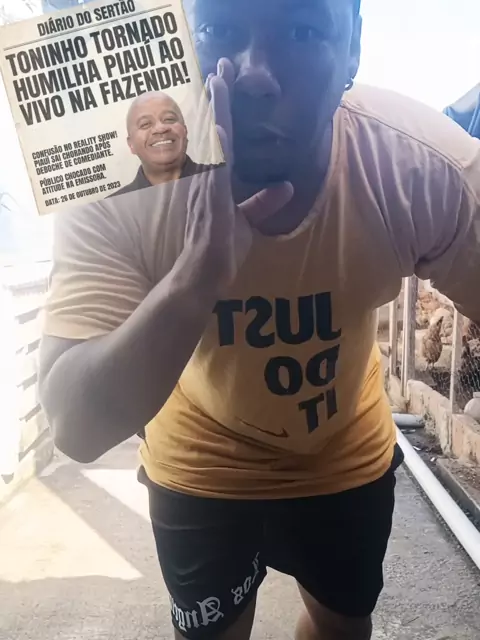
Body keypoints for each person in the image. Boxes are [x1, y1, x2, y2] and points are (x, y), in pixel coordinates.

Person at [39, 1, 480, 639]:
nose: (254, 75)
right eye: (220, 29)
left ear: (352, 48)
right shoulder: (117, 171)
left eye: (302, 30)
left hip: (342, 448)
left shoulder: (419, 169)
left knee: (341, 628)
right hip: (198, 452)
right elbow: (75, 426)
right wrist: (196, 275)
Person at [111, 91, 215, 197]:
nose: (161, 128)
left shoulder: (222, 178)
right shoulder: (112, 206)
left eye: (169, 119)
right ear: (131, 145)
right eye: (145, 124)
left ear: (185, 130)